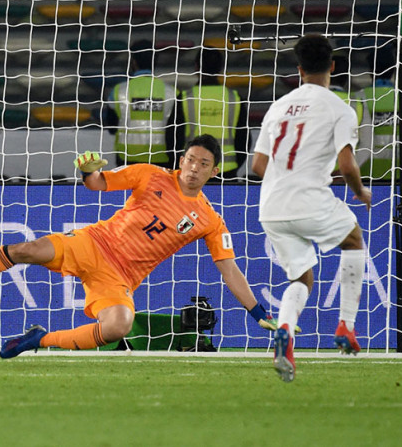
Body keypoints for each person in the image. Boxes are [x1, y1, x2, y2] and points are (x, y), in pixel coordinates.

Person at [0, 135, 281, 357]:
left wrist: (257, 312)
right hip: (93, 242)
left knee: (119, 326)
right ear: (180, 160)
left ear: (214, 172)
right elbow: (98, 183)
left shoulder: (210, 220)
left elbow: (229, 269)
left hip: (121, 276)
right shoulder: (150, 174)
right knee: (29, 250)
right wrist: (88, 169)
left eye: (203, 164)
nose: (193, 168)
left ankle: (39, 340)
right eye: (189, 159)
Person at [250, 34, 371, 383]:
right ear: (332, 66)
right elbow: (348, 166)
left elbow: (259, 164)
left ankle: (285, 329)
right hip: (307, 198)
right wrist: (360, 191)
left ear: (299, 69)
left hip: (271, 205)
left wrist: (290, 175)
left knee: (301, 277)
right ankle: (346, 326)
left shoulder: (279, 106)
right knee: (353, 240)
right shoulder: (339, 108)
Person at [104, 42, 179, 167]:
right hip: (161, 159)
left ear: (133, 62)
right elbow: (177, 131)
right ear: (155, 63)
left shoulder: (119, 91)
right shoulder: (173, 92)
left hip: (127, 158)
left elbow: (111, 127)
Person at [178, 48, 247, 179]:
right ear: (220, 68)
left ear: (196, 67)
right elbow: (243, 139)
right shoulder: (234, 97)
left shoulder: (185, 97)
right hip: (227, 172)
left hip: (192, 172)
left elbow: (174, 138)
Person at [353, 45, 398, 181]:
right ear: (394, 70)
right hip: (400, 176)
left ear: (371, 71)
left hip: (365, 173)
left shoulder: (358, 98)